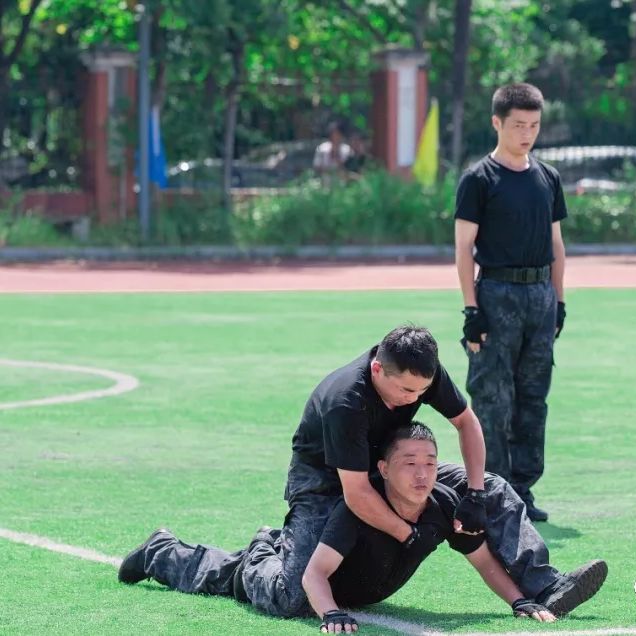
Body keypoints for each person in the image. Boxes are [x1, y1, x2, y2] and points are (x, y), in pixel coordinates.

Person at [120, 326, 606, 620]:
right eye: (405, 393)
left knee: (495, 488)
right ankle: (187, 552)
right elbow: (355, 494)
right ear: (377, 370)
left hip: (389, 464)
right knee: (294, 597)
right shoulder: (345, 402)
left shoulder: (419, 372)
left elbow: (466, 423)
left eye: (422, 392)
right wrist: (410, 534)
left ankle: (545, 586)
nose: (415, 400)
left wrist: (475, 494)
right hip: (324, 480)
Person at [117, 423, 559, 632]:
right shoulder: (358, 511)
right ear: (383, 469)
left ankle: (264, 545)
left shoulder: (443, 505)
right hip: (304, 573)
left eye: (430, 462)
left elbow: (482, 560)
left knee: (248, 577)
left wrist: (519, 601)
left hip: (343, 583)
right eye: (410, 463)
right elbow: (314, 575)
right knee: (255, 588)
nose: (423, 474)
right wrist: (330, 614)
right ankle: (170, 551)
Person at [454, 82, 567, 523]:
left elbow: (557, 245)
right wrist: (471, 309)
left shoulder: (548, 178)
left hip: (540, 296)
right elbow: (463, 248)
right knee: (493, 398)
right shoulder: (478, 179)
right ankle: (492, 490)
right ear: (497, 123)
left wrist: (559, 300)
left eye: (534, 125)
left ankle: (523, 488)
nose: (527, 133)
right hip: (496, 293)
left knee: (533, 397)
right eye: (519, 125)